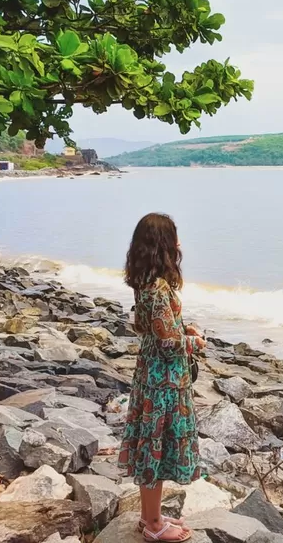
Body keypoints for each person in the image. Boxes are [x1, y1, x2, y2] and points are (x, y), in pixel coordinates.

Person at [119, 213, 206, 542]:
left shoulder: (146, 282)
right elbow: (168, 343)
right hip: (163, 382)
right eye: (174, 236)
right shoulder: (158, 289)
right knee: (155, 448)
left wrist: (183, 327)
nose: (179, 243)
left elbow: (151, 328)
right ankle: (154, 525)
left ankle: (149, 516)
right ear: (163, 244)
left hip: (152, 375)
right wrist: (195, 342)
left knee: (151, 445)